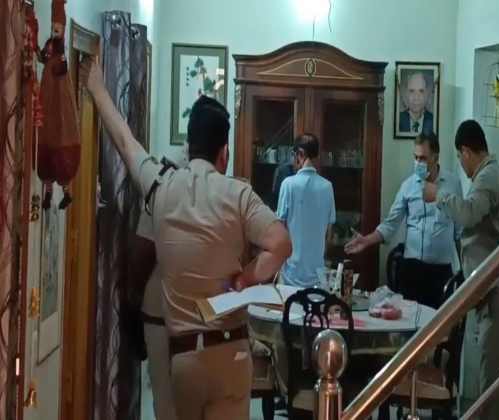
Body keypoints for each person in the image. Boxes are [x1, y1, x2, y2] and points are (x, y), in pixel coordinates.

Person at [81, 57, 292, 420]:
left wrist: (97, 87)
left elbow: (126, 144)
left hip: (184, 357)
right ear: (224, 152)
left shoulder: (159, 187)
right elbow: (281, 243)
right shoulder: (238, 194)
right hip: (231, 353)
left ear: (189, 144)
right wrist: (246, 278)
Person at [424, 120, 499, 420]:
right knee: (485, 380)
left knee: (492, 384)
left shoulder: (488, 176)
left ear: (466, 151)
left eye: (459, 156)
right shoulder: (488, 175)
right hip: (490, 290)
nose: (460, 163)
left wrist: (439, 195)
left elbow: (468, 214)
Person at [345, 132, 461, 310]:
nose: (418, 162)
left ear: (436, 157)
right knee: (409, 322)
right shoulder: (408, 186)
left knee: (439, 323)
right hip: (412, 269)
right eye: (415, 157)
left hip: (441, 271)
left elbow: (460, 229)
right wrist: (366, 240)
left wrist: (464, 269)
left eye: (423, 158)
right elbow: (390, 224)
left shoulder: (452, 183)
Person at [277, 133, 336, 287]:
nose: (293, 160)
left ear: (300, 154)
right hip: (318, 276)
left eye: (293, 155)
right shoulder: (327, 187)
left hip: (290, 274)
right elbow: (329, 235)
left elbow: (279, 231)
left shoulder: (288, 184)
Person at [135, 209, 177, 420]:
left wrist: (133, 299)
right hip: (172, 312)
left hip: (161, 310)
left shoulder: (158, 196)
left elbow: (143, 254)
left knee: (165, 397)